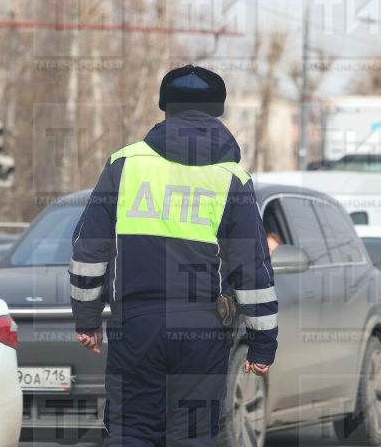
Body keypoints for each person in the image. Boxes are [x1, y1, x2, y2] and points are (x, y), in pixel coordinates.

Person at [68, 65, 278, 447]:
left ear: (165, 110)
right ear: (218, 112)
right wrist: (264, 342)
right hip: (203, 330)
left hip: (136, 326)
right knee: (194, 436)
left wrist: (86, 318)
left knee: (130, 432)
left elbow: (88, 248)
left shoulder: (125, 164)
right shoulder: (233, 178)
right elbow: (253, 269)